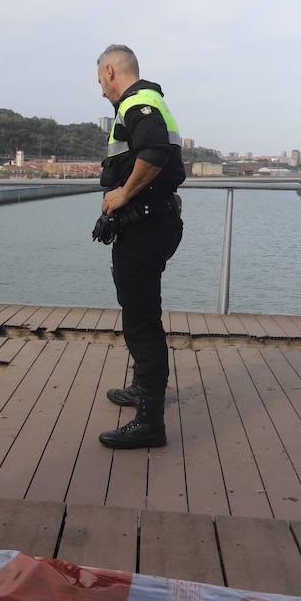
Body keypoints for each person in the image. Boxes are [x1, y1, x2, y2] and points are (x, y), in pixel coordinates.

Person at [93, 45, 186, 449]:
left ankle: (151, 423)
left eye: (100, 81)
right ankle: (142, 388)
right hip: (152, 223)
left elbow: (154, 153)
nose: (100, 90)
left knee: (141, 321)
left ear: (111, 71)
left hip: (146, 226)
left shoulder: (140, 103)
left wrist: (122, 195)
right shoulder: (148, 102)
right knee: (140, 312)